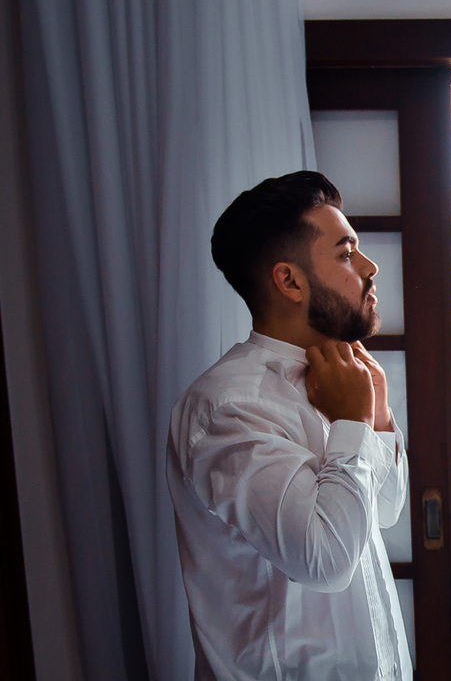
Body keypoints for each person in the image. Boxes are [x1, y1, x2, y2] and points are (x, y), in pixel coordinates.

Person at [166, 171, 411, 680]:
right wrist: (352, 421)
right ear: (290, 281)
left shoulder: (341, 379)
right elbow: (326, 563)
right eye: (346, 254)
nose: (370, 267)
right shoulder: (228, 406)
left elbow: (384, 511)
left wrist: (377, 416)